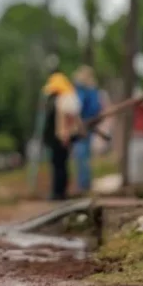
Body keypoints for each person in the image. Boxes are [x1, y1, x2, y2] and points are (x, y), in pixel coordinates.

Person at [42, 72, 82, 201]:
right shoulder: (62, 98)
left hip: (62, 137)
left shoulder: (66, 99)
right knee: (58, 164)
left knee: (60, 165)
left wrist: (65, 136)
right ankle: (58, 191)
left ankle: (59, 192)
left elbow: (69, 120)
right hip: (58, 137)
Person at [72, 65, 102, 193]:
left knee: (81, 154)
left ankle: (83, 184)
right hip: (90, 123)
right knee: (84, 154)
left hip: (83, 123)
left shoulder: (83, 90)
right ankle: (85, 182)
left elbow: (77, 107)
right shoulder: (93, 90)